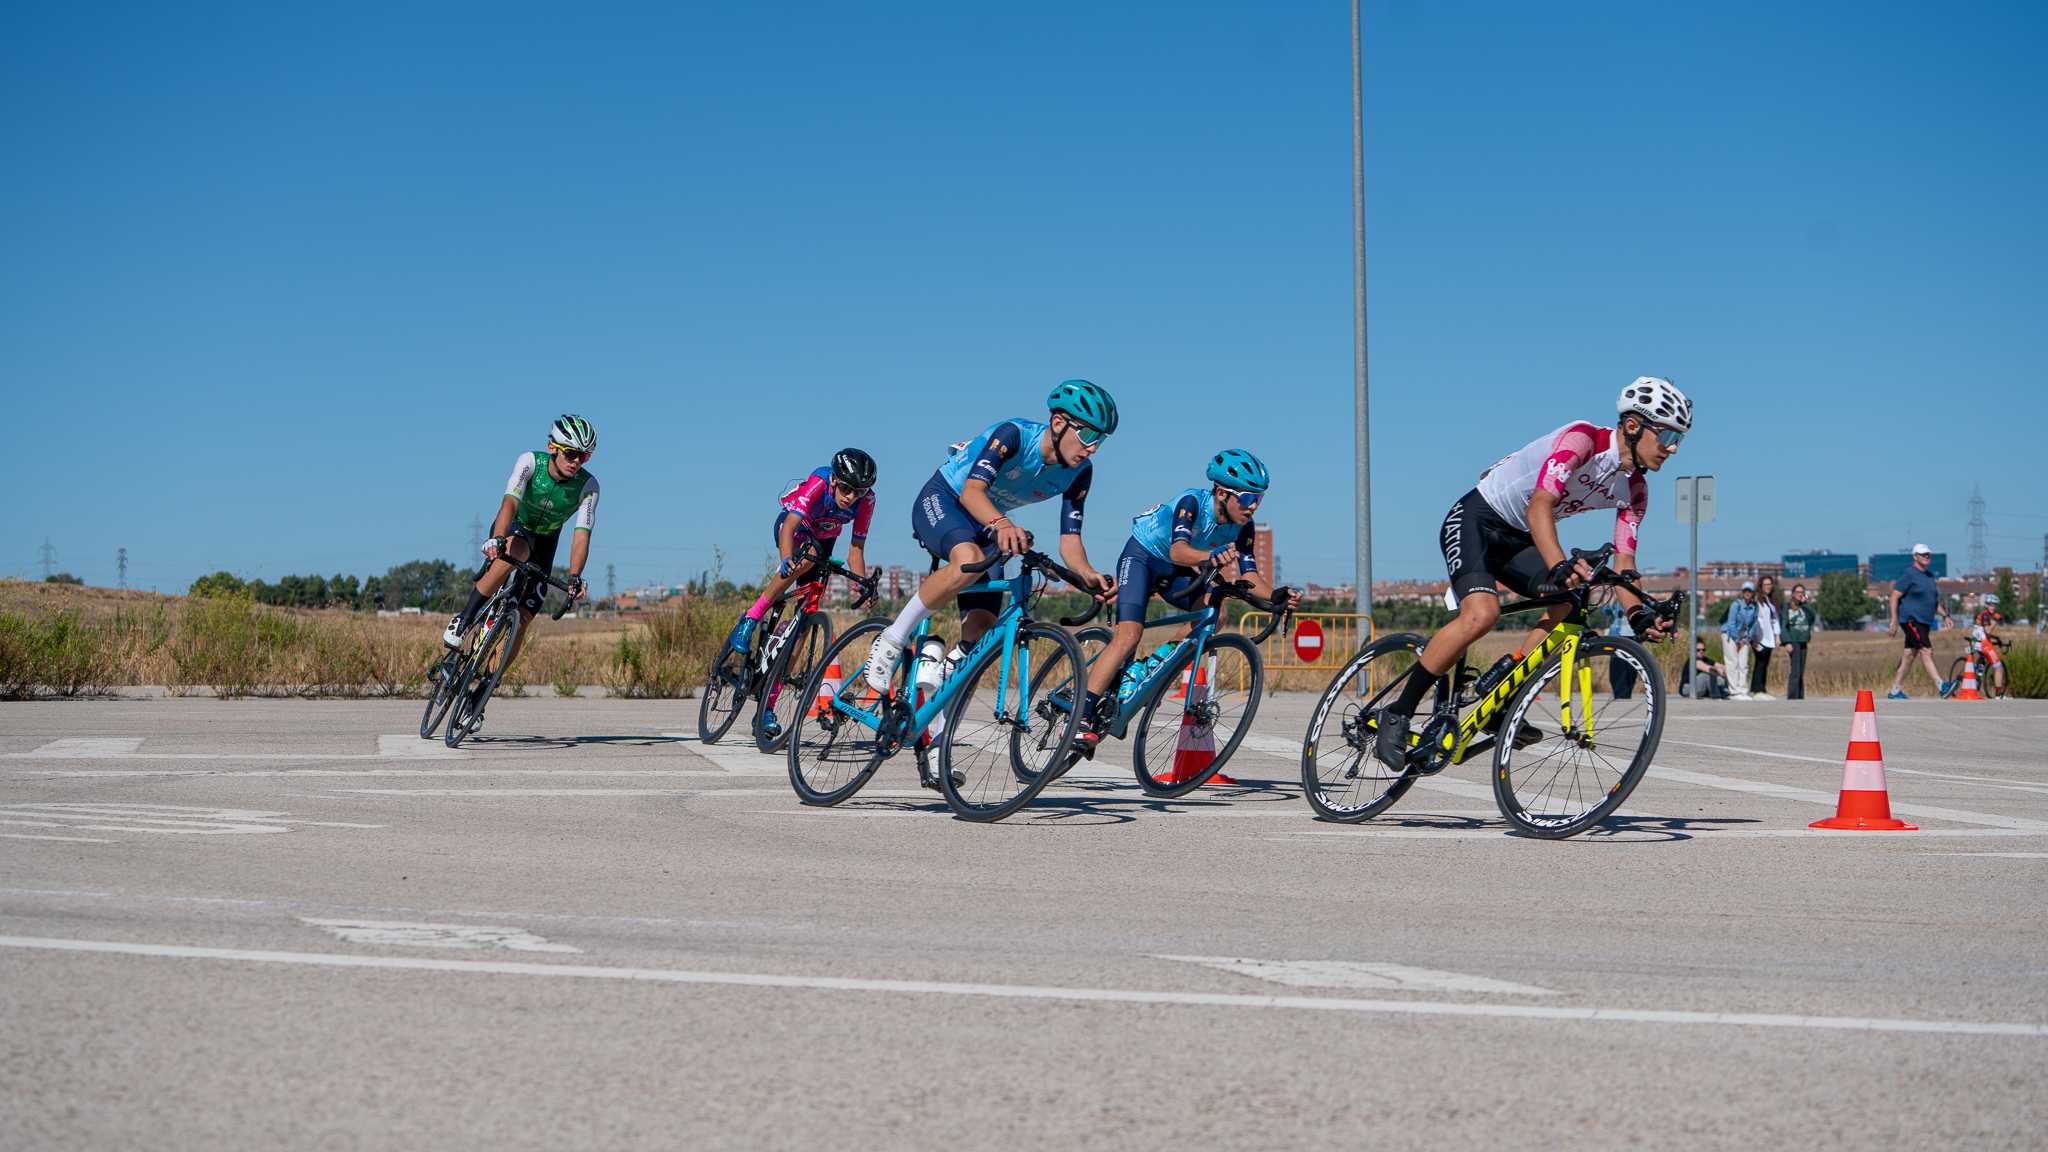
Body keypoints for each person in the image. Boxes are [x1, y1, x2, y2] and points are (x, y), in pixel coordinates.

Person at [1375, 377, 1687, 769]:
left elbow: (1625, 564)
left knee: (1571, 605)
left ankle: (1501, 696)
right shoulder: (1583, 440)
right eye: (1668, 435)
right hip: (1477, 519)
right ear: (1632, 425)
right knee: (1483, 614)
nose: (1672, 449)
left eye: (1679, 440)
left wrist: (1640, 614)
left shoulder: (1635, 490)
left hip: (1518, 538)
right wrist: (1558, 564)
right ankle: (1399, 711)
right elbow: (1539, 506)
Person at [864, 381, 1118, 694]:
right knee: (968, 559)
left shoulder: (1081, 472)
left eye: (1101, 440)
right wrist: (1002, 523)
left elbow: (1070, 540)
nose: (1092, 447)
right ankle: (892, 639)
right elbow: (972, 492)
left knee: (982, 628)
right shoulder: (1014, 435)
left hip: (986, 523)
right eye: (1089, 435)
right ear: (1058, 423)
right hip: (947, 499)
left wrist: (1087, 573)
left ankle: (939, 729)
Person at [1074, 450, 1299, 752]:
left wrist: (1275, 595)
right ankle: (1081, 717)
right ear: (1222, 493)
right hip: (1142, 556)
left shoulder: (1244, 526)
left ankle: (1150, 665)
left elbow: (1251, 575)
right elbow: (1178, 551)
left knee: (1214, 614)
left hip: (1176, 569)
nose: (1253, 506)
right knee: (1130, 634)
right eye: (1247, 498)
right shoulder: (1192, 503)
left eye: (1259, 499)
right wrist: (1211, 556)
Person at [442, 415, 598, 681]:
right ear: (553, 448)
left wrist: (574, 575)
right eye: (571, 453)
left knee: (524, 617)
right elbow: (510, 503)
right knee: (518, 552)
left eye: (583, 457)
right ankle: (464, 619)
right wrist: (498, 538)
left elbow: (582, 534)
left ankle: (485, 686)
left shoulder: (588, 487)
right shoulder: (530, 462)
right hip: (515, 527)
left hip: (546, 542)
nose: (576, 462)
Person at [726, 448, 876, 657]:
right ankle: (751, 617)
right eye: (846, 488)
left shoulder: (867, 501)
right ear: (833, 480)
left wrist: (861, 583)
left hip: (825, 537)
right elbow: (789, 527)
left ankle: (776, 685)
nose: (851, 497)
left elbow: (856, 550)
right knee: (806, 557)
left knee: (806, 614)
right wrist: (786, 558)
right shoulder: (819, 482)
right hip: (795, 527)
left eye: (858, 492)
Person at [1886, 543, 1945, 700]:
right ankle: (1942, 686)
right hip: (1911, 620)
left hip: (1925, 622)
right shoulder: (1909, 574)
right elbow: (1894, 596)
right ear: (1915, 556)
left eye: (1928, 555)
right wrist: (1894, 620)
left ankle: (1895, 691)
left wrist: (1945, 616)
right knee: (1926, 650)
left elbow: (1934, 601)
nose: (1926, 557)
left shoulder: (1930, 576)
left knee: (1909, 655)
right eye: (1923, 554)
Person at [1720, 581, 1758, 700]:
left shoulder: (1754, 606)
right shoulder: (1736, 605)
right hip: (1730, 635)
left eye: (1750, 591)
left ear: (1753, 593)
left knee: (1744, 663)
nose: (1747, 593)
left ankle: (1743, 690)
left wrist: (1746, 638)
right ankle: (1734, 691)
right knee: (1732, 662)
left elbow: (1753, 624)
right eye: (1745, 591)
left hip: (1744, 637)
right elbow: (1731, 623)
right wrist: (1737, 640)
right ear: (1742, 592)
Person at [1749, 574, 1781, 700]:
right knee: (1760, 663)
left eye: (1770, 584)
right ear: (1760, 586)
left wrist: (1777, 636)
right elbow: (1754, 619)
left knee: (1765, 663)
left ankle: (1762, 689)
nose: (1768, 586)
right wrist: (1754, 638)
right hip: (1759, 638)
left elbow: (1775, 619)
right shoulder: (1757, 600)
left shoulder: (1770, 601)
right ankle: (1757, 690)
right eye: (1765, 584)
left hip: (1769, 638)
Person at [1968, 593, 2007, 696]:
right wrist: (1995, 621)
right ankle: (1999, 695)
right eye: (1991, 604)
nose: (1993, 607)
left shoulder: (1984, 614)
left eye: (1995, 605)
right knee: (1998, 666)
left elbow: (1984, 632)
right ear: (1986, 605)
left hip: (1978, 642)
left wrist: (1997, 638)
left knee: (1983, 661)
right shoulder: (1986, 615)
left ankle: (1977, 678)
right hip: (1983, 644)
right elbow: (1988, 631)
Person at [1783, 583, 1816, 699]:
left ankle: (1800, 695)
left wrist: (1805, 601)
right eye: (1797, 592)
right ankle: (1792, 696)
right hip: (1793, 640)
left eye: (1802, 592)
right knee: (1795, 670)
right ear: (1792, 594)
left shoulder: (1805, 607)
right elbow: (1783, 625)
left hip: (1803, 640)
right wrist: (1786, 642)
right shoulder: (1787, 607)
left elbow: (1812, 616)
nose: (1800, 594)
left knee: (1801, 670)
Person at [1606, 606, 1637, 699]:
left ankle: (1627, 692)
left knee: (1631, 667)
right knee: (1616, 665)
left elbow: (1646, 610)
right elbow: (1606, 610)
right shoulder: (1615, 596)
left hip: (1633, 634)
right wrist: (1612, 599)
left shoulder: (1639, 595)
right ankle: (1619, 693)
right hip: (1616, 634)